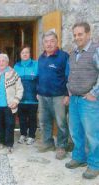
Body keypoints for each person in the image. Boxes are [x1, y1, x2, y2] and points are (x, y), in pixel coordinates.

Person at [65, 22, 99, 179]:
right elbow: (70, 74)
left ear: (88, 34)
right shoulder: (73, 53)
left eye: (80, 34)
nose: (77, 37)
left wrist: (94, 93)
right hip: (75, 100)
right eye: (75, 35)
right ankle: (79, 158)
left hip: (89, 101)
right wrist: (69, 88)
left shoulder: (95, 51)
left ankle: (94, 164)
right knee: (76, 132)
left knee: (92, 134)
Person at [37, 31, 69, 160]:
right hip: (43, 96)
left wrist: (67, 94)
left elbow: (68, 76)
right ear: (43, 43)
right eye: (46, 41)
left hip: (59, 96)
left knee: (61, 123)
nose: (49, 44)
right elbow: (40, 76)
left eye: (52, 41)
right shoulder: (41, 57)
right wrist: (38, 92)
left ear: (57, 42)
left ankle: (62, 146)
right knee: (44, 121)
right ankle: (48, 143)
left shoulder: (64, 56)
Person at [14, 45, 38, 145]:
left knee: (32, 117)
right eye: (23, 52)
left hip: (33, 97)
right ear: (20, 54)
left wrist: (39, 92)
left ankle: (32, 135)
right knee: (22, 117)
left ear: (30, 53)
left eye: (27, 52)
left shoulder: (36, 64)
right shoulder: (16, 66)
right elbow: (14, 82)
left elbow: (40, 80)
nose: (25, 54)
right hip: (21, 98)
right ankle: (23, 134)